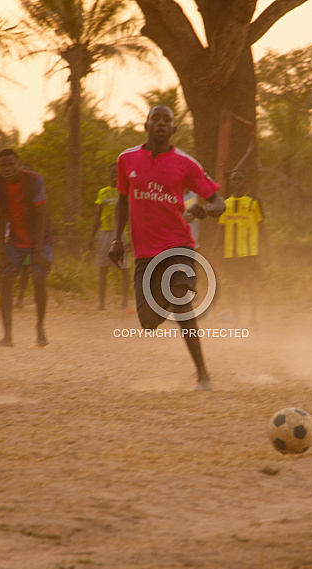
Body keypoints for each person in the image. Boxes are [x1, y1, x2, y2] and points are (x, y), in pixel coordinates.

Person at [109, 105, 226, 391]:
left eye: (167, 120)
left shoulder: (186, 164)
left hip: (179, 246)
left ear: (174, 129)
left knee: (181, 302)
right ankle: (170, 298)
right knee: (148, 322)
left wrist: (205, 210)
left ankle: (203, 375)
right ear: (146, 124)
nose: (161, 123)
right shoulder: (127, 159)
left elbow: (219, 203)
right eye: (156, 119)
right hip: (145, 252)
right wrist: (116, 239)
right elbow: (123, 200)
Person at [0, 148, 52, 347]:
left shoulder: (34, 180)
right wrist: (2, 251)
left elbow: (41, 215)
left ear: (18, 164)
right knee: (5, 279)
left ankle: (40, 326)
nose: (7, 169)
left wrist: (38, 251)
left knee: (39, 278)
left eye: (10, 164)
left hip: (41, 237)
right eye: (2, 165)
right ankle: (7, 336)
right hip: (15, 240)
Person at [217, 169, 268, 327]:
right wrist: (213, 250)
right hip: (230, 254)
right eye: (233, 179)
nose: (235, 182)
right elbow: (220, 230)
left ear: (245, 182)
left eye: (238, 179)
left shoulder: (253, 202)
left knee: (250, 284)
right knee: (232, 286)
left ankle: (253, 319)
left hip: (249, 253)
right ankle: (237, 319)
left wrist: (266, 251)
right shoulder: (226, 203)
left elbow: (262, 227)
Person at [88, 162, 130, 310]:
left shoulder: (125, 192)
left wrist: (129, 237)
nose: (113, 176)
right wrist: (91, 237)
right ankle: (101, 302)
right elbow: (97, 216)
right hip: (105, 233)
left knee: (124, 268)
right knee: (103, 268)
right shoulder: (103, 193)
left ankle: (124, 302)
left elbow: (130, 215)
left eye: (116, 173)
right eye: (111, 173)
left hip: (122, 233)